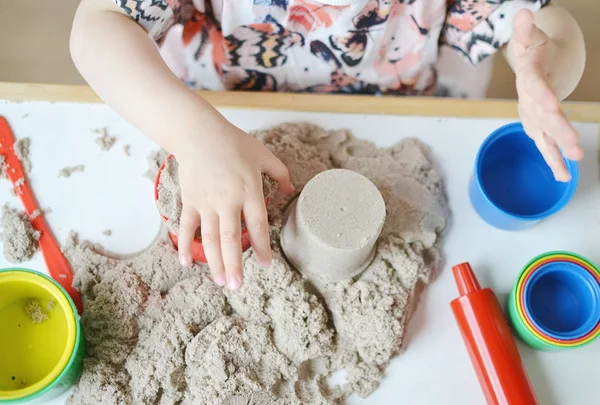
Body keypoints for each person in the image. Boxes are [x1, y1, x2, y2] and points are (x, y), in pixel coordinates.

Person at [70, 0, 586, 290]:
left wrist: (544, 69)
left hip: (401, 102)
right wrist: (193, 134)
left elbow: (548, 23)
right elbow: (98, 25)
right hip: (215, 104)